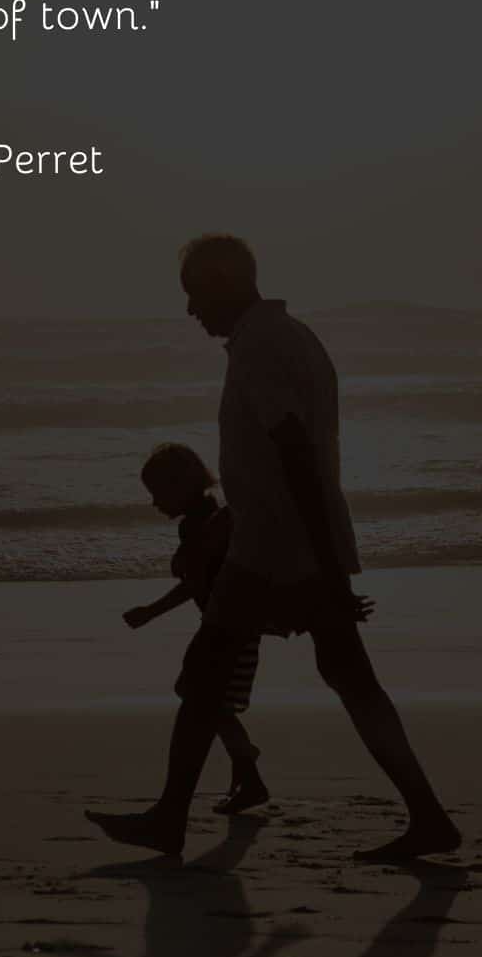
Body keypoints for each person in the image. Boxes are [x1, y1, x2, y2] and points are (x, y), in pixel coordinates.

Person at [88, 234, 460, 863]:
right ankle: (426, 816)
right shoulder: (293, 338)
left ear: (225, 282)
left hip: (277, 548)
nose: (190, 312)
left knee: (216, 673)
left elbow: (295, 457)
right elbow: (285, 460)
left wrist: (327, 572)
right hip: (281, 541)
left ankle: (170, 819)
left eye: (196, 295)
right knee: (338, 676)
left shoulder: (262, 350)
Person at [124, 442, 269, 813]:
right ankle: (246, 765)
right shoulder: (205, 520)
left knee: (205, 699)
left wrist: (152, 611)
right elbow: (195, 581)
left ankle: (247, 768)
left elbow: (196, 582)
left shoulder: (207, 524)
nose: (155, 504)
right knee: (204, 697)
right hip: (226, 624)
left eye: (157, 494)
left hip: (231, 626)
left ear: (180, 485)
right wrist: (154, 608)